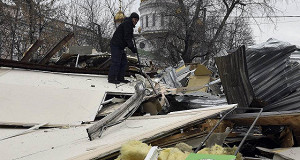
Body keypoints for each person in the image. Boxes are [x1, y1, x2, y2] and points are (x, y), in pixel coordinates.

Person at [108, 12, 139, 84]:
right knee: (116, 62)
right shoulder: (127, 24)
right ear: (132, 18)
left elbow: (127, 39)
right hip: (116, 45)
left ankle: (120, 78)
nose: (136, 21)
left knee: (124, 62)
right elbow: (127, 38)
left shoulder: (129, 25)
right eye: (135, 19)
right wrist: (132, 48)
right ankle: (111, 78)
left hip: (120, 46)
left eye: (137, 20)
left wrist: (131, 47)